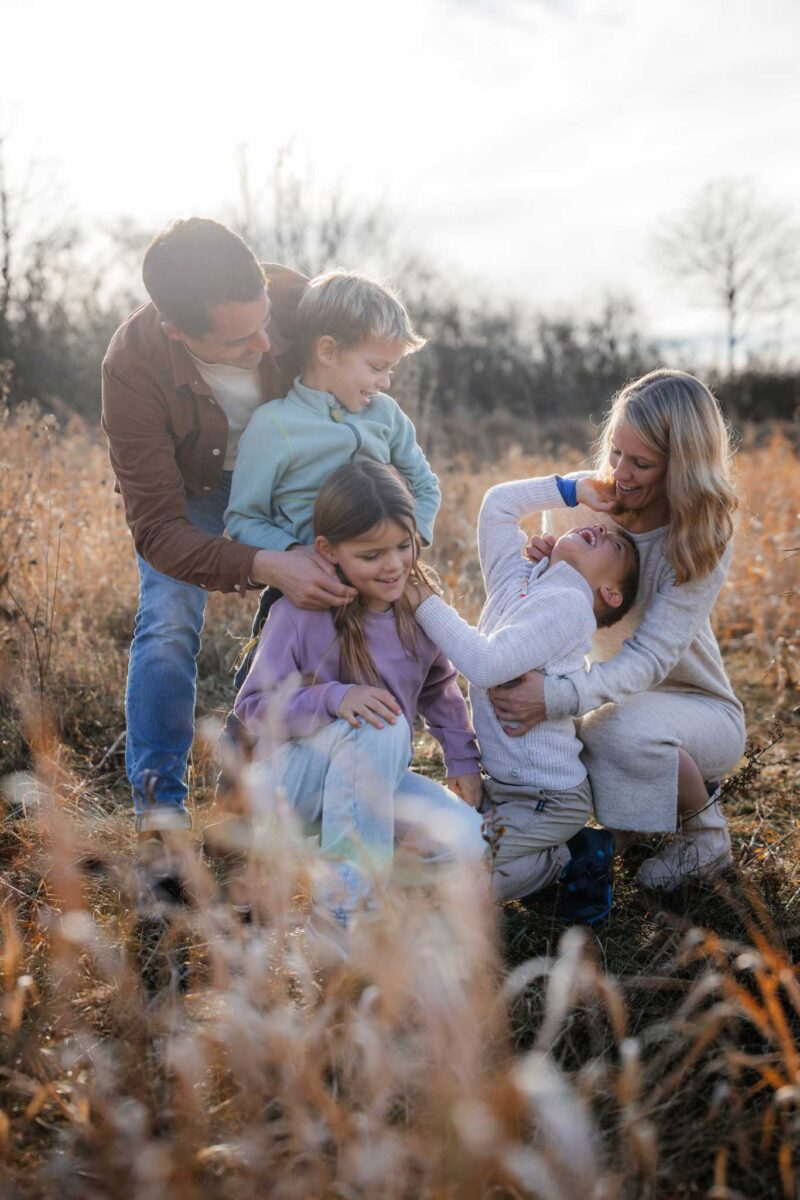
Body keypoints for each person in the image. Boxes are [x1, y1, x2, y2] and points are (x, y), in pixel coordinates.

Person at [101, 219, 356, 872]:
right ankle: (159, 824)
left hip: (294, 477)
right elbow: (159, 532)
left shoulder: (305, 305)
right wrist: (263, 562)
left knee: (306, 612)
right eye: (241, 340)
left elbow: (368, 393)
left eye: (265, 322)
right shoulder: (133, 367)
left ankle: (242, 799)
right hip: (195, 489)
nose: (267, 343)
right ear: (177, 331)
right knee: (167, 620)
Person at [488, 369, 746, 891]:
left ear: (683, 467)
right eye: (616, 453)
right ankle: (634, 823)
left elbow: (651, 660)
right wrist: (543, 567)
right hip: (609, 693)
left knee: (609, 727)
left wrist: (560, 696)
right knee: (584, 729)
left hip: (697, 709)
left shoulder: (701, 534)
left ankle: (707, 836)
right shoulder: (587, 502)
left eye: (642, 463)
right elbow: (545, 612)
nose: (621, 473)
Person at [234, 461, 486, 927]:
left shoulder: (418, 607)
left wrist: (463, 759)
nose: (393, 565)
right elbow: (252, 711)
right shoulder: (298, 613)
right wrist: (332, 697)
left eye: (402, 546)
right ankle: (344, 915)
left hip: (371, 783)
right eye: (371, 555)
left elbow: (439, 686)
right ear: (329, 551)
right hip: (291, 785)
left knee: (467, 840)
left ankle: (360, 863)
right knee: (382, 721)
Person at [405, 473, 640, 923]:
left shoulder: (569, 609)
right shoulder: (521, 578)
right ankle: (566, 852)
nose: (603, 530)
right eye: (606, 527)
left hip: (548, 797)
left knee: (457, 877)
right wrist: (572, 489)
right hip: (504, 789)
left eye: (616, 545)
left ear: (609, 593)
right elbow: (497, 506)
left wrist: (424, 602)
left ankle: (567, 861)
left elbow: (486, 664)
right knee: (437, 844)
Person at [224, 270, 441, 682]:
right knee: (271, 700)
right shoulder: (274, 426)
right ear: (327, 351)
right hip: (307, 593)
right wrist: (293, 553)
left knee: (374, 691)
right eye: (376, 366)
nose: (385, 381)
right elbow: (243, 519)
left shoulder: (386, 414)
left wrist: (409, 542)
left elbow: (425, 484)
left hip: (379, 591)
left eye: (390, 370)